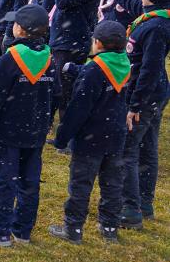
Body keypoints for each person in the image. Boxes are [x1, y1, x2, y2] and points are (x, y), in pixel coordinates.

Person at [0, 4, 60, 247]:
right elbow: (56, 94)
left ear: (20, 30)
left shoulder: (10, 59)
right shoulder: (49, 58)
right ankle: (22, 230)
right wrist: (46, 122)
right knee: (30, 182)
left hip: (10, 131)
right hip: (36, 131)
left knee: (4, 180)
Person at [49, 21, 130, 244]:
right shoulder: (124, 64)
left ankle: (73, 228)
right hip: (115, 135)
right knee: (112, 184)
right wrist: (76, 70)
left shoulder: (94, 70)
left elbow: (78, 108)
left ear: (98, 43)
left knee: (81, 184)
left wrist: (62, 137)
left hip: (90, 138)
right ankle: (109, 226)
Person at [119, 0, 170, 228]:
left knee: (128, 150)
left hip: (145, 95)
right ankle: (144, 203)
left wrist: (135, 105)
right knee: (147, 146)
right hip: (154, 92)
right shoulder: (154, 18)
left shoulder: (155, 27)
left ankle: (130, 208)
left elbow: (149, 69)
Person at [50, 0, 100, 121]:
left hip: (72, 42)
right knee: (57, 85)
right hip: (62, 39)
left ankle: (67, 127)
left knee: (66, 88)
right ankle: (52, 121)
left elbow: (62, 1)